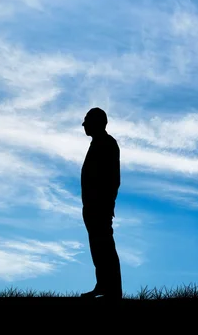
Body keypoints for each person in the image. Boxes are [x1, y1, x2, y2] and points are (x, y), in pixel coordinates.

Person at [80, 107, 122, 299]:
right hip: (92, 206)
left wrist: (106, 202)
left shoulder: (106, 144)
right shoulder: (98, 143)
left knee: (104, 247)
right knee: (98, 247)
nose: (84, 125)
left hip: (100, 206)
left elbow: (113, 178)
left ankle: (111, 291)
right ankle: (104, 286)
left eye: (87, 121)